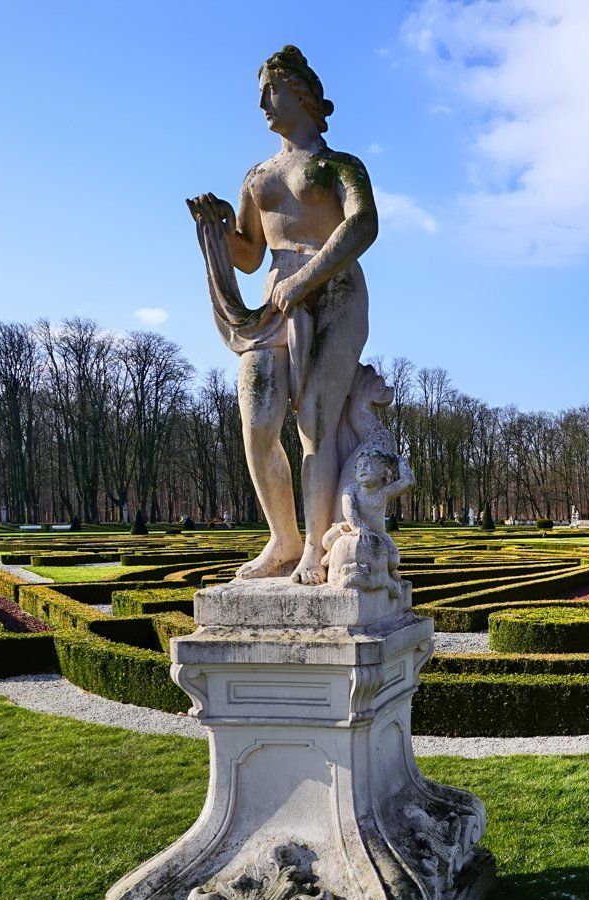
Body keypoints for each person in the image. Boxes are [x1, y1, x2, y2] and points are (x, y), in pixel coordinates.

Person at [187, 45, 379, 583]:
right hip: (274, 300)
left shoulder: (339, 165)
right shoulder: (258, 175)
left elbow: (362, 227)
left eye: (270, 92)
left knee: (315, 419)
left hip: (336, 292)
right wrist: (220, 229)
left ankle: (318, 547)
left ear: (301, 94)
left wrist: (305, 279)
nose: (263, 105)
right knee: (257, 424)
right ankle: (284, 539)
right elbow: (249, 256)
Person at [322, 449, 414, 596]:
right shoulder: (351, 490)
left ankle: (385, 572)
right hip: (351, 527)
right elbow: (349, 510)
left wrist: (401, 461)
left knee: (394, 561)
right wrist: (358, 527)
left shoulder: (384, 492)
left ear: (384, 473)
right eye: (360, 465)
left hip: (377, 532)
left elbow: (408, 482)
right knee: (326, 540)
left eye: (369, 465)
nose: (363, 468)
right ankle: (330, 554)